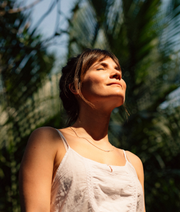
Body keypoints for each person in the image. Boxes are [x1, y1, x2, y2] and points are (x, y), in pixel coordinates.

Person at [19, 48, 145, 212]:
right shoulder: (49, 140)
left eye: (118, 70)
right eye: (101, 68)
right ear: (75, 86)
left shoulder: (133, 163)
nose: (117, 74)